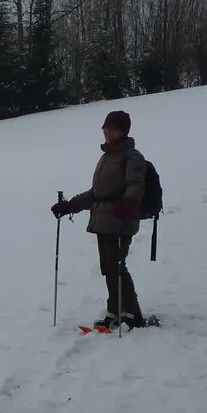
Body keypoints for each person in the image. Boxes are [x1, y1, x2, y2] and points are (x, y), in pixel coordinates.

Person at [51, 110, 149, 330]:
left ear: (122, 131)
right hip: (103, 219)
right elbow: (96, 192)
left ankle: (131, 313)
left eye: (111, 128)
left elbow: (136, 185)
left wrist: (128, 206)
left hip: (120, 219)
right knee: (109, 267)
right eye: (105, 128)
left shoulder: (132, 156)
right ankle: (115, 310)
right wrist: (68, 207)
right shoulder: (106, 157)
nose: (106, 132)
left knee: (117, 265)